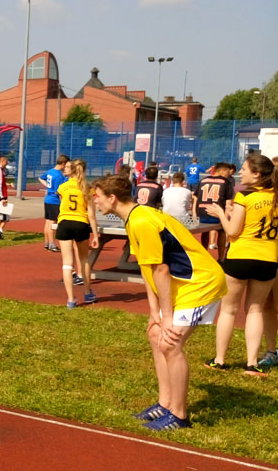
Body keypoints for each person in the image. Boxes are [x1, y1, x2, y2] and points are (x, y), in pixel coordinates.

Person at [91, 175, 226, 431]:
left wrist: (167, 317)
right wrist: (155, 313)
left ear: (112, 198)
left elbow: (161, 270)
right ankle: (165, 404)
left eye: (97, 196)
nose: (94, 201)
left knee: (170, 343)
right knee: (156, 335)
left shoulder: (141, 220)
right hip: (182, 284)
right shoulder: (134, 218)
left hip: (200, 283)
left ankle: (179, 415)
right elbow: (147, 267)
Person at [203, 154, 278, 376]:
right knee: (255, 309)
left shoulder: (244, 196)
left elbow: (233, 231)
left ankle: (220, 360)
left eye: (244, 169)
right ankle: (252, 363)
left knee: (229, 310)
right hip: (268, 259)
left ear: (257, 174)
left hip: (241, 256)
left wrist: (220, 214)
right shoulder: (275, 196)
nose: (240, 172)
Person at [54, 159, 99, 308]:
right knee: (84, 259)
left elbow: (62, 204)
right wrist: (96, 235)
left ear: (71, 170)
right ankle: (87, 293)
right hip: (81, 223)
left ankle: (70, 299)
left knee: (67, 263)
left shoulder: (63, 187)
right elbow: (91, 214)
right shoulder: (87, 188)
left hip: (64, 223)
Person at [194, 162, 236, 252]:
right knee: (222, 231)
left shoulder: (203, 180)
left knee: (205, 232)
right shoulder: (226, 182)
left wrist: (195, 214)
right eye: (227, 172)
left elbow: (195, 198)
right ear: (222, 171)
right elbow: (228, 203)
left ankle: (204, 252)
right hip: (216, 216)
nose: (229, 175)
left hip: (201, 215)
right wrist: (225, 219)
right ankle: (221, 256)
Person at [39, 154, 70, 252]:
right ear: (63, 164)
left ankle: (47, 243)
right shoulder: (58, 176)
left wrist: (48, 187)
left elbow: (40, 178)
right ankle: (52, 244)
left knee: (48, 221)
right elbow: (58, 191)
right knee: (52, 222)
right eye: (66, 165)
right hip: (55, 201)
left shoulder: (50, 171)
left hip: (48, 199)